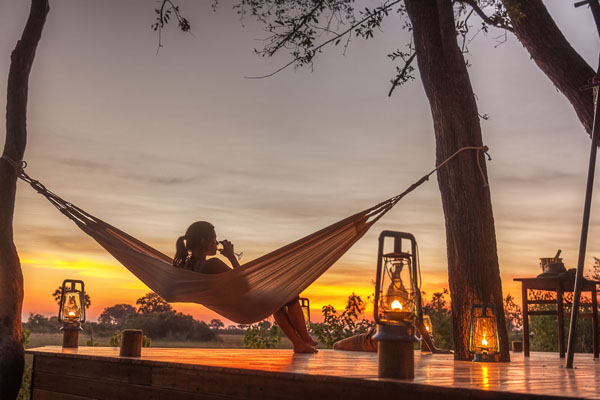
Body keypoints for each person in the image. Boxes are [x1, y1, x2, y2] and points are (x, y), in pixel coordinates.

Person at [173, 221, 318, 353]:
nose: (216, 243)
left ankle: (299, 343)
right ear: (204, 242)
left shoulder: (184, 267)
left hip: (235, 308)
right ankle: (305, 337)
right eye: (214, 239)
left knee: (277, 303)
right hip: (245, 306)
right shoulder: (212, 264)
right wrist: (231, 256)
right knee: (290, 294)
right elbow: (244, 284)